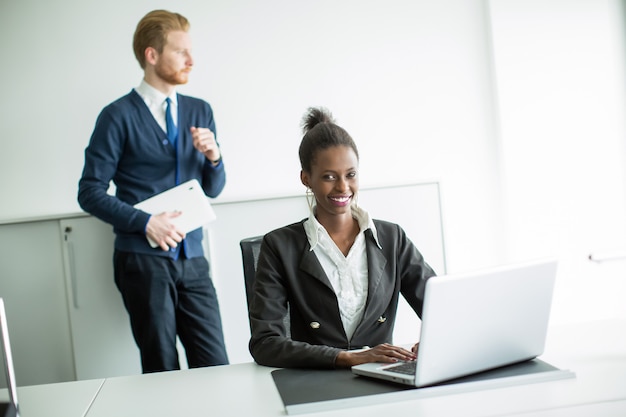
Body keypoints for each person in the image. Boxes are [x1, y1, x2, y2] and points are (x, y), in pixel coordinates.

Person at [77, 9, 229, 373]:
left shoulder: (200, 110)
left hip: (192, 259)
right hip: (142, 262)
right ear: (152, 55)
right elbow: (89, 191)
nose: (191, 61)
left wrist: (214, 157)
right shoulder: (116, 116)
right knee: (161, 369)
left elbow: (214, 188)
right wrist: (146, 223)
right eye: (180, 52)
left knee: (216, 364)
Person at [248, 107, 436, 369]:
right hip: (315, 379)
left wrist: (433, 342)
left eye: (351, 175)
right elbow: (265, 343)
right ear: (306, 179)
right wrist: (344, 357)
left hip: (382, 377)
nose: (342, 187)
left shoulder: (392, 238)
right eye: (328, 177)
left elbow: (442, 310)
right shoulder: (279, 246)